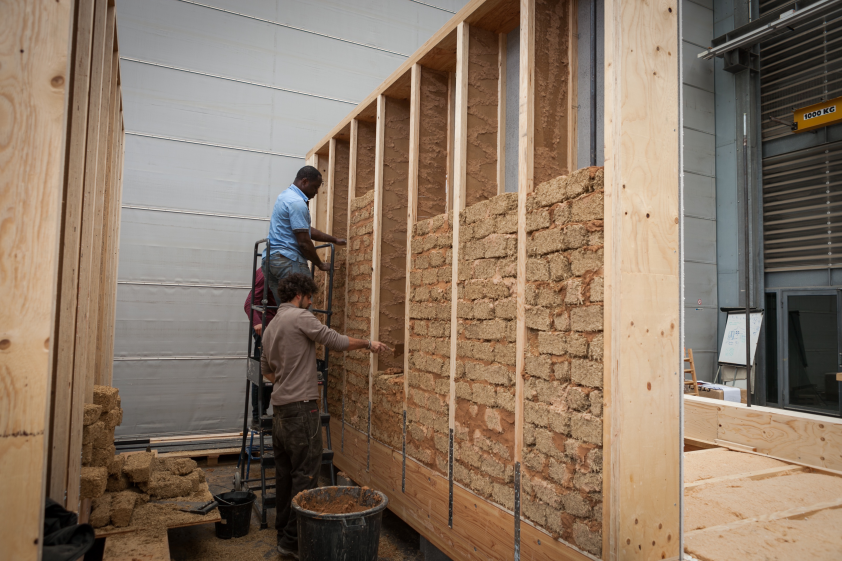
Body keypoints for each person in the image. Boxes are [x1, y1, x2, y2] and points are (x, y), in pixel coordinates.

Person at [260, 274, 388, 558]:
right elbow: (335, 340)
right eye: (310, 297)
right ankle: (293, 543)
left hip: (279, 413)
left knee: (284, 477)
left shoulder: (271, 326)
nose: (312, 302)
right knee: (305, 477)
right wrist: (369, 344)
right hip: (302, 411)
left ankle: (284, 535)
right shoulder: (300, 317)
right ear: (299, 296)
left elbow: (266, 369)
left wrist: (286, 380)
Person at [263, 165, 346, 305]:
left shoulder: (285, 196)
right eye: (315, 187)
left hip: (271, 261)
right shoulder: (297, 203)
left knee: (285, 310)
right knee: (301, 311)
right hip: (289, 262)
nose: (317, 192)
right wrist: (319, 264)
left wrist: (334, 240)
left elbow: (305, 230)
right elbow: (303, 242)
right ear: (305, 181)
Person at [243, 267, 277, 427]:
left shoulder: (285, 273)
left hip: (277, 327)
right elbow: (249, 303)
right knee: (261, 371)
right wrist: (257, 323)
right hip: (263, 327)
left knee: (272, 371)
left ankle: (265, 411)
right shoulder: (265, 272)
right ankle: (258, 416)